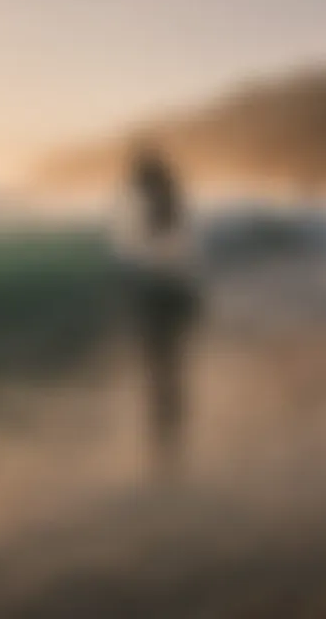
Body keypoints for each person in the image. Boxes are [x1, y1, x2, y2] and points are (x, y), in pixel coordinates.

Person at [112, 139, 200, 472]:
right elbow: (175, 244)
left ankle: (165, 420)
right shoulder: (166, 193)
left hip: (161, 291)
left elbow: (156, 242)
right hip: (173, 288)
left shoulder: (158, 197)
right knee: (166, 361)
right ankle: (168, 414)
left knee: (160, 360)